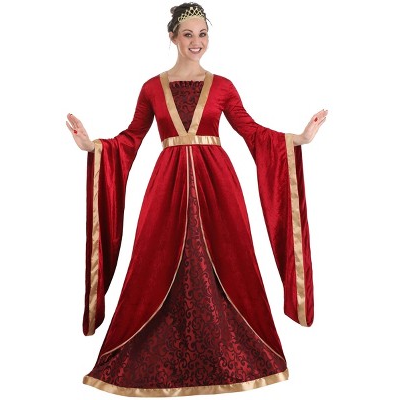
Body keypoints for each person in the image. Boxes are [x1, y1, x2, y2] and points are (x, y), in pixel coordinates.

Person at [66, 2, 328, 397]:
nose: (196, 41)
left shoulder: (223, 86)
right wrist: (93, 146)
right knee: (154, 259)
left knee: (231, 257)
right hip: (167, 184)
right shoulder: (151, 88)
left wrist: (299, 139)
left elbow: (251, 131)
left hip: (217, 184)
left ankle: (235, 356)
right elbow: (132, 137)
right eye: (188, 34)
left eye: (202, 34)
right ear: (172, 37)